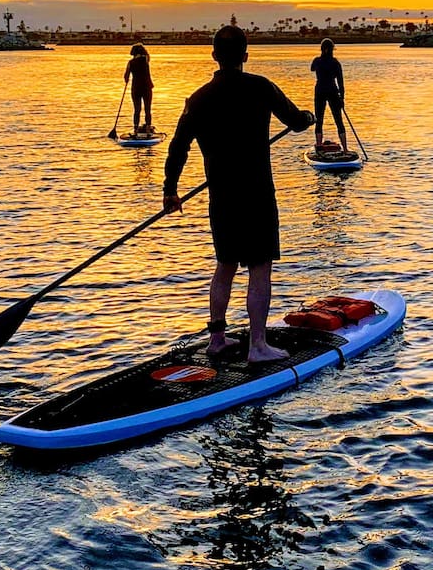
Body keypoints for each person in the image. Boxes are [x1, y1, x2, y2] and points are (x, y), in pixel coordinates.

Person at [163, 25, 314, 363]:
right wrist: (309, 116)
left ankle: (217, 339)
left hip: (222, 198)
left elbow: (177, 149)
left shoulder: (198, 100)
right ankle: (257, 345)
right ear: (245, 56)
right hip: (257, 194)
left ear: (214, 55)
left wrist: (170, 191)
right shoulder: (260, 87)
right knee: (259, 267)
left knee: (225, 265)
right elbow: (296, 119)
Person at [310, 38, 348, 152]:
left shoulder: (317, 61)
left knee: (319, 119)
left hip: (320, 91)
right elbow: (340, 82)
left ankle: (319, 145)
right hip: (332, 91)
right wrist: (342, 97)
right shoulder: (335, 63)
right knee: (338, 120)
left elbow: (312, 69)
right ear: (330, 49)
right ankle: (345, 149)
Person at [124, 43, 154, 135]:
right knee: (147, 109)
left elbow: (126, 77)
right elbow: (147, 57)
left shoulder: (130, 63)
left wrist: (127, 79)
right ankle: (148, 129)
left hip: (136, 88)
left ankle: (136, 129)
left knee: (137, 109)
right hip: (147, 87)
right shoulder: (145, 59)